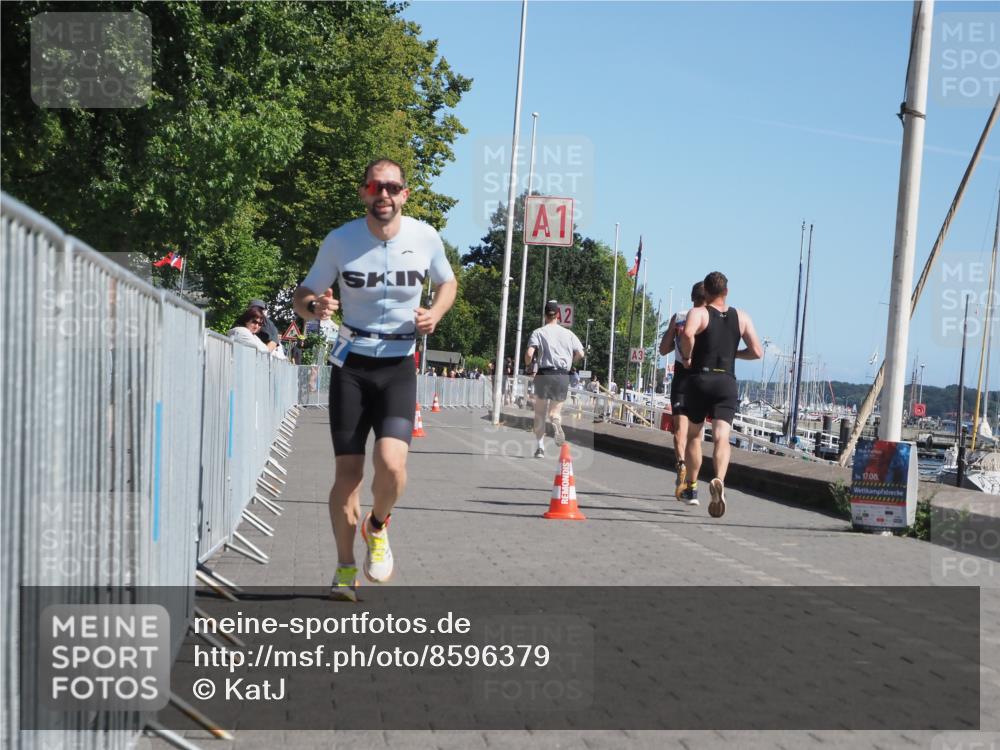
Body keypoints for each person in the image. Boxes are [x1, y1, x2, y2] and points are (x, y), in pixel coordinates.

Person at [293, 158, 457, 600]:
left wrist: (435, 314)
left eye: (392, 187)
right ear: (365, 192)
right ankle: (346, 570)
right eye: (374, 187)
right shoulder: (340, 241)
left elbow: (448, 283)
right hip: (351, 365)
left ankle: (378, 525)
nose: (383, 195)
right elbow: (303, 294)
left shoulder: (425, 237)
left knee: (391, 465)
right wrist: (314, 308)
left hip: (398, 365)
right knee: (347, 475)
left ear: (404, 194)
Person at [677, 271, 762, 518]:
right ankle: (719, 479)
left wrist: (687, 356)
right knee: (721, 437)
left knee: (694, 435)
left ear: (706, 290)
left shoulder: (699, 313)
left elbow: (687, 335)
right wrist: (735, 354)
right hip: (727, 381)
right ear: (726, 291)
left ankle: (692, 487)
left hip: (700, 379)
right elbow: (757, 351)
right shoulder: (741, 317)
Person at [659, 281, 706, 505]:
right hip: (700, 376)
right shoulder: (709, 317)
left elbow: (663, 349)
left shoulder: (679, 316)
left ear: (692, 297)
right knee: (696, 436)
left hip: (680, 376)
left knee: (679, 429)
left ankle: (680, 464)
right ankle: (692, 486)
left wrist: (675, 335)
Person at [524, 300, 585, 458]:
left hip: (544, 374)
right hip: (562, 375)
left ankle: (540, 448)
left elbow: (530, 354)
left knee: (539, 414)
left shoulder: (539, 332)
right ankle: (556, 421)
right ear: (558, 315)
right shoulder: (569, 334)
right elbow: (581, 353)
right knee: (554, 412)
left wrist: (528, 364)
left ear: (545, 315)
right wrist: (571, 362)